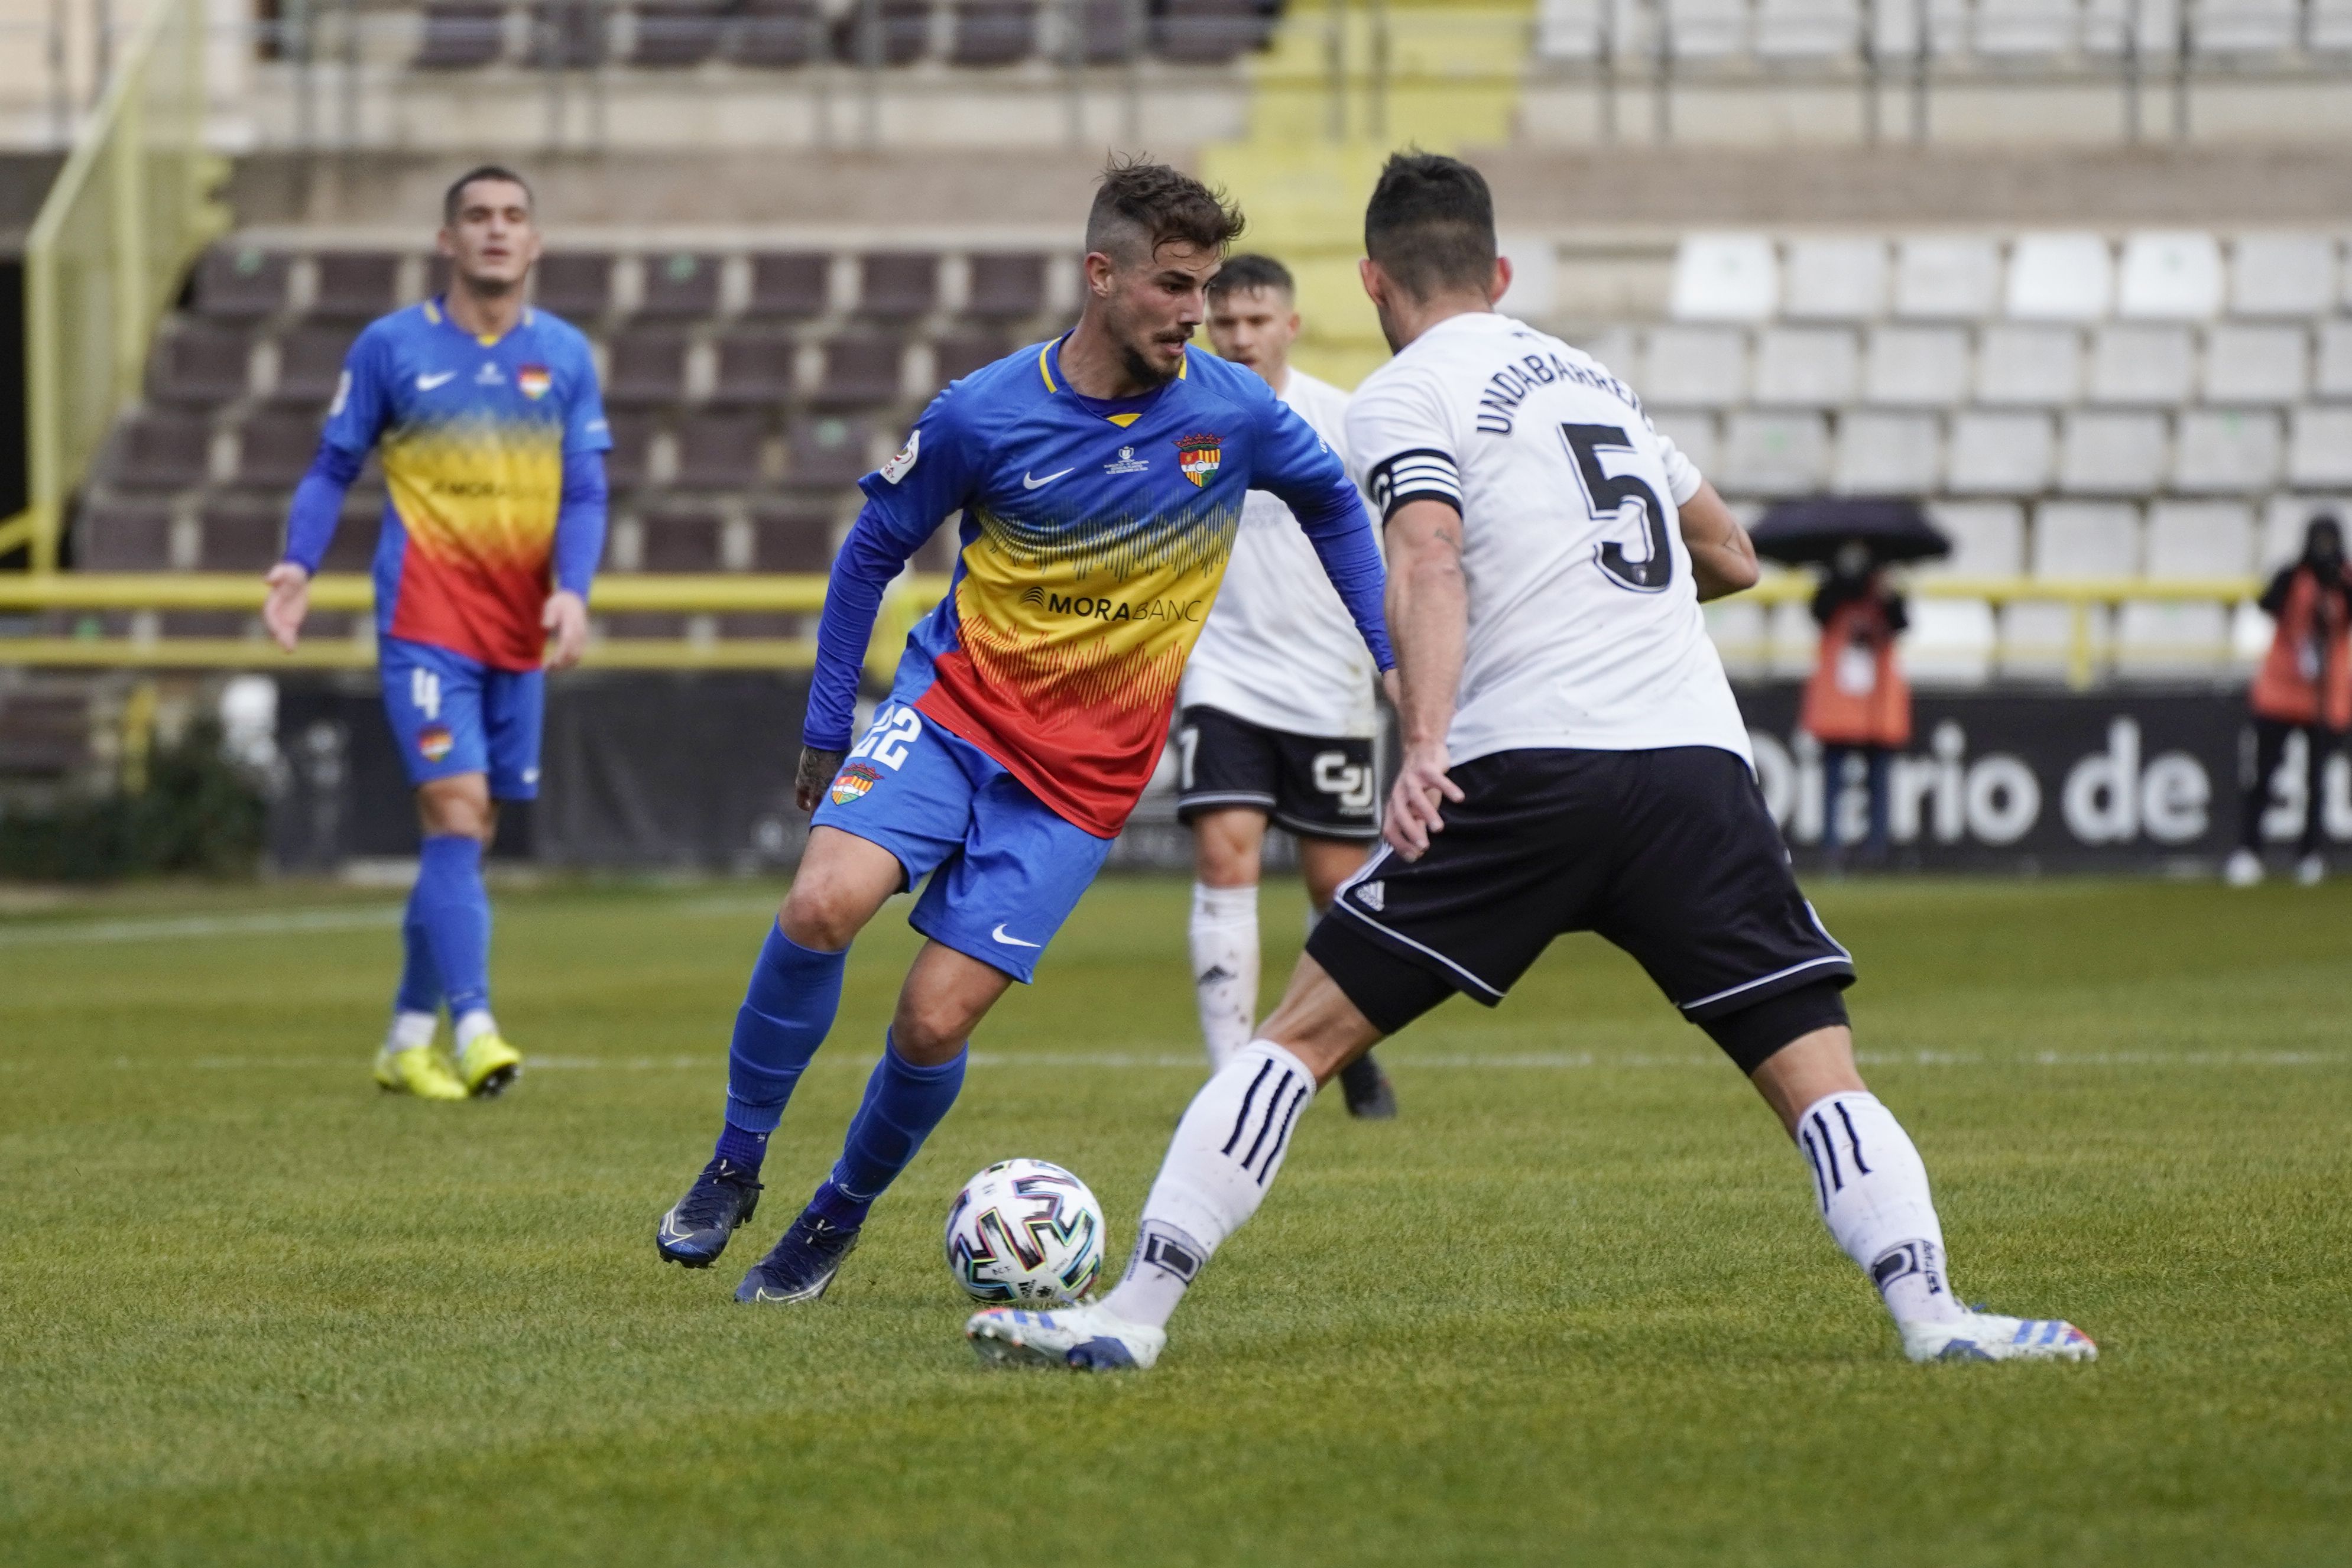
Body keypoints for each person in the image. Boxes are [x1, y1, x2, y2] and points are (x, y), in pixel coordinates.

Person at [965, 152, 2093, 1372]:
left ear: (1372, 280)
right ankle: (1935, 1313)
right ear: (1499, 273)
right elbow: (1733, 554)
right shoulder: (1595, 380)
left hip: (1525, 772)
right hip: (1692, 770)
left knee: (1295, 1038)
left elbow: (1431, 559)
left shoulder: (1405, 393)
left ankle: (1129, 1316)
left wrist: (1428, 742)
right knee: (1818, 1069)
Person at [650, 158, 1394, 1306]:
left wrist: (1391, 657)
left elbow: (1336, 504)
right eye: (1176, 287)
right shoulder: (985, 409)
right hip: (949, 716)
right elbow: (871, 550)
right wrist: (823, 723)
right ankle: (734, 1163)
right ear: (1102, 277)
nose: (1197, 314)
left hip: (1079, 784)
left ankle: (833, 1216)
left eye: (1205, 291)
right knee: (820, 902)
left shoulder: (1233, 412)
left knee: (933, 1018)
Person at [261, 165, 609, 1102]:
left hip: (518, 627)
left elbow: (583, 490)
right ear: (446, 241)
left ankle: (406, 1038)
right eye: (476, 217)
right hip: (423, 617)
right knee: (456, 810)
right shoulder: (391, 348)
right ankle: (478, 1028)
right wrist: (299, 561)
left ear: (534, 243)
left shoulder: (566, 357)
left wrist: (571, 593)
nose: (496, 231)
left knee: (467, 833)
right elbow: (333, 465)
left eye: (512, 218)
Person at [1179, 252, 1396, 1118]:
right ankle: (1232, 1079)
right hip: (1223, 678)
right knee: (1222, 856)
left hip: (1330, 687)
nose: (1239, 337)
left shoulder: (1339, 423)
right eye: (1224, 323)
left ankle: (1344, 1053)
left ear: (1289, 325)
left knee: (1334, 892)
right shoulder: (1182, 427)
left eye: (1255, 321)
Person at [2227, 513, 2352, 888]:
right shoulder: (2290, 576)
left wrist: (2338, 583)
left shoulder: (2345, 582)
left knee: (2318, 781)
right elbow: (2266, 604)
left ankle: (2310, 854)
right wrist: (2302, 575)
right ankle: (2249, 851)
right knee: (2264, 776)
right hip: (2280, 693)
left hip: (2324, 698)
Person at [1802, 540, 1910, 865]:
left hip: (1877, 706)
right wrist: (1839, 581)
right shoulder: (1832, 591)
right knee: (1834, 782)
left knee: (1878, 783)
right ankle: (1832, 850)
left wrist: (1886, 592)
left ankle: (1876, 852)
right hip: (1838, 704)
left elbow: (1902, 622)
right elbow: (1818, 612)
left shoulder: (1887, 593)